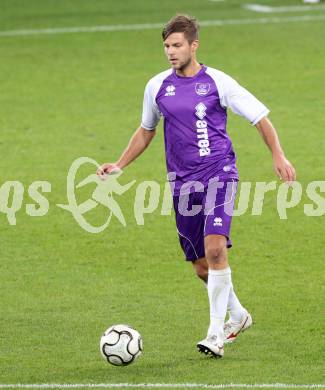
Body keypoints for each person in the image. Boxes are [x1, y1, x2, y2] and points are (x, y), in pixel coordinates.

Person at [97, 14, 296, 358]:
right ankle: (238, 315)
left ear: (193, 45)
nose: (170, 52)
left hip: (220, 173)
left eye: (176, 45)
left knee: (217, 250)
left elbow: (259, 118)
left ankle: (215, 335)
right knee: (202, 267)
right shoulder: (156, 86)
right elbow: (146, 130)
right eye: (166, 46)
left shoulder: (218, 82)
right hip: (182, 185)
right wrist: (119, 164)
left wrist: (278, 154)